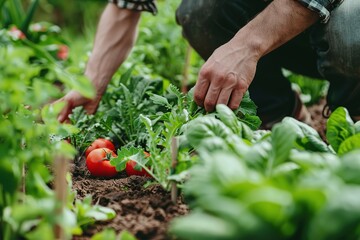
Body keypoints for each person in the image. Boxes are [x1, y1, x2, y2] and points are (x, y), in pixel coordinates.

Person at [57, 0, 360, 129]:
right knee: (200, 11)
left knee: (351, 30)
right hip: (292, 28)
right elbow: (126, 7)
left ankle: (350, 122)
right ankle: (279, 114)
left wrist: (246, 46)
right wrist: (91, 81)